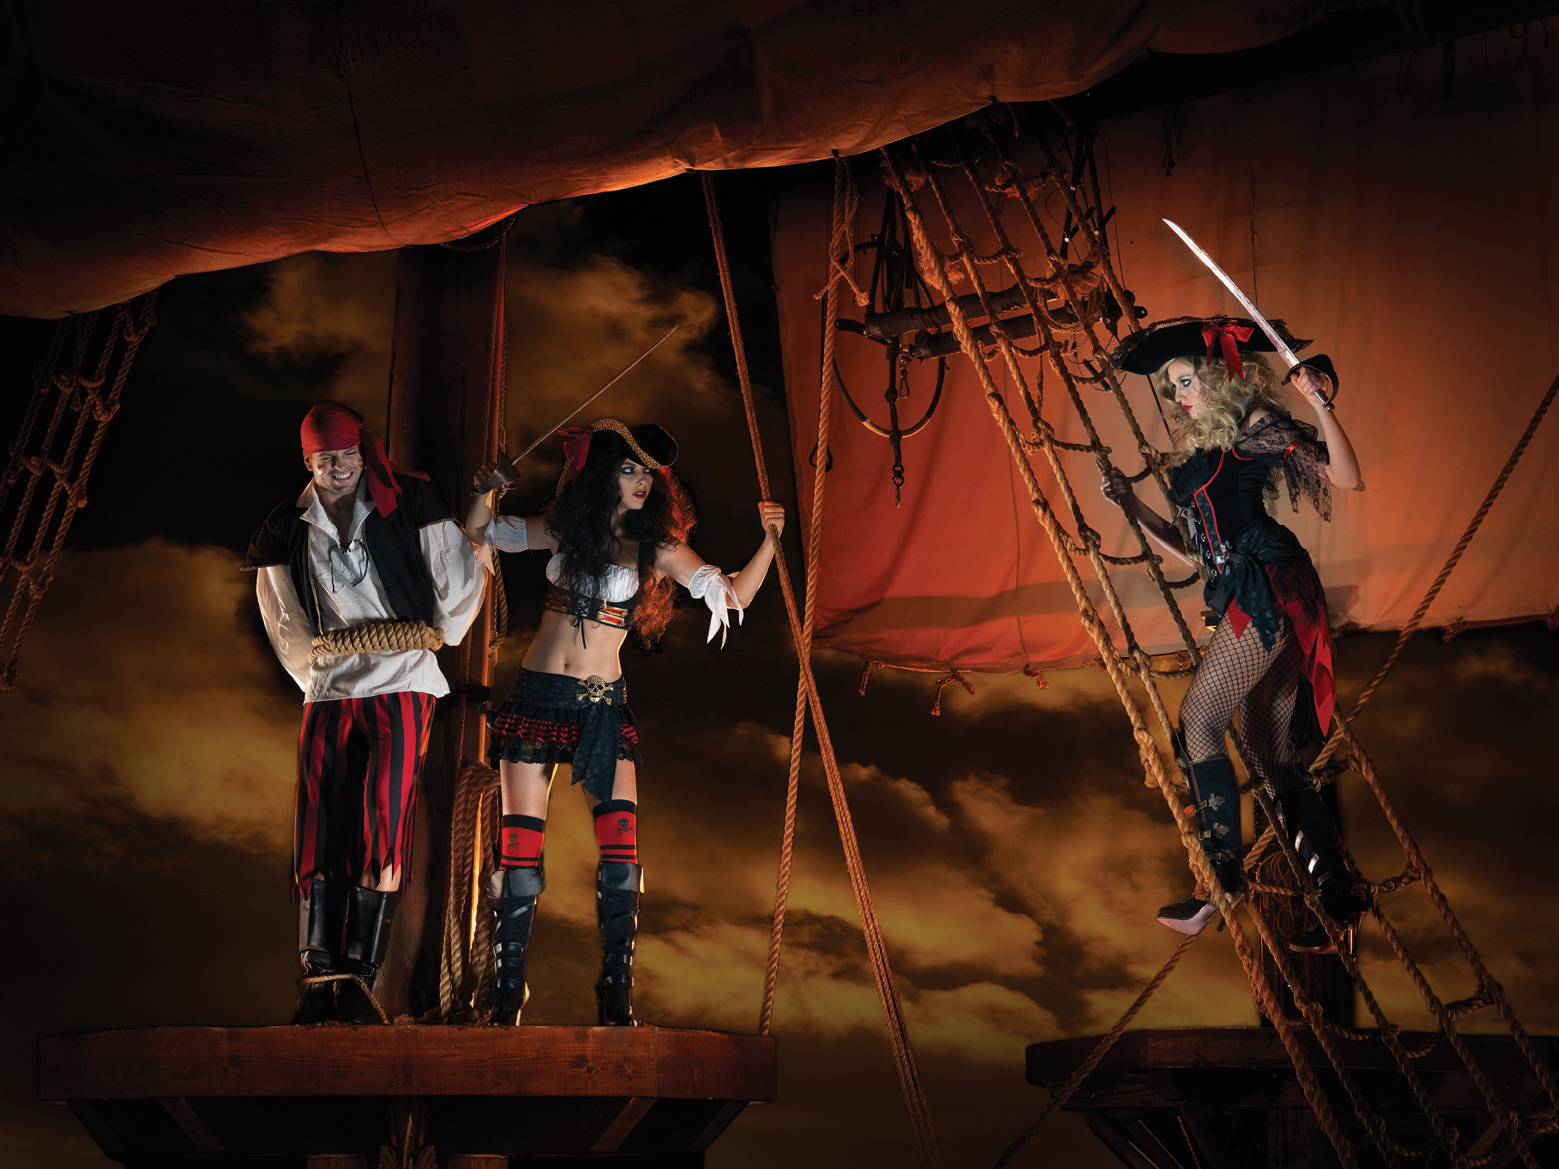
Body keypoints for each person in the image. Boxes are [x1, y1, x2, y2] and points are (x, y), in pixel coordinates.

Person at [465, 418, 785, 1026]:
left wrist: (770, 540)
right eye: (629, 469)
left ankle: (616, 995)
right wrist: (485, 492)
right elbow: (485, 534)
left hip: (603, 706)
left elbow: (733, 596)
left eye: (648, 473)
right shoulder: (563, 527)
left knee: (621, 853)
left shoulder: (656, 545)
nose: (641, 481)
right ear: (603, 473)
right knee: (519, 851)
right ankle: (507, 993)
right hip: (537, 698)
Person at [1102, 317, 1370, 954]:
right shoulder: (1200, 456)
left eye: (1186, 381)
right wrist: (1133, 507)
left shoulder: (1253, 427)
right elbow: (1198, 554)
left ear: (1219, 376)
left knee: (1199, 720)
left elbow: (1345, 477)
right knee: (1268, 757)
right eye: (1171, 388)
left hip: (1268, 584)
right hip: (1253, 587)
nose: (1179, 397)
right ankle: (1336, 895)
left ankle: (1219, 881)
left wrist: (1320, 403)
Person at [245, 401, 486, 1022]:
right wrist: (318, 673)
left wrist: (440, 626)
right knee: (318, 816)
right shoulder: (286, 525)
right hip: (329, 685)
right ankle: (317, 972)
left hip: (402, 678)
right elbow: (284, 618)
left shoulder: (408, 501)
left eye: (348, 453)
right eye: (325, 458)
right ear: (309, 462)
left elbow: (454, 594)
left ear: (361, 450)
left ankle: (359, 976)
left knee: (385, 812)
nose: (340, 466)